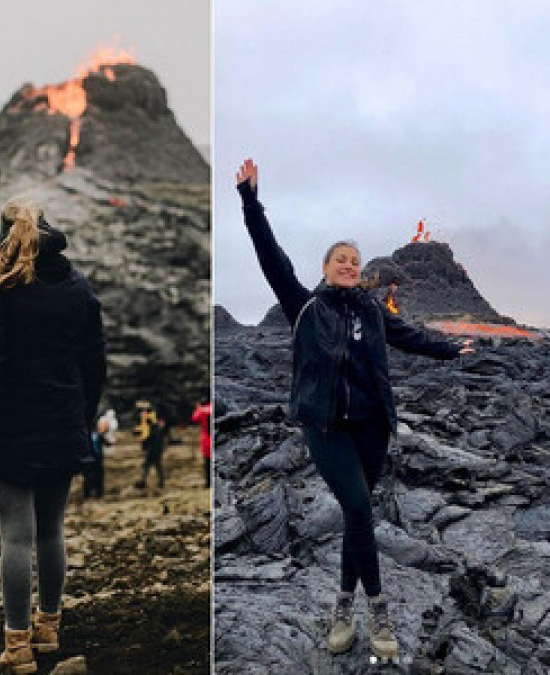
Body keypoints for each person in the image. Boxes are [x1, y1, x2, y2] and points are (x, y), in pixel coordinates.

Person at [235, 158, 474, 661]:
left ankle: (342, 603)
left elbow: (412, 338)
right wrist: (251, 202)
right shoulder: (305, 306)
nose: (348, 264)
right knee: (361, 507)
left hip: (371, 428)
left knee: (355, 517)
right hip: (326, 428)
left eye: (354, 260)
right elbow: (268, 255)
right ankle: (378, 607)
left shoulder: (372, 311)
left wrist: (453, 349)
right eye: (339, 258)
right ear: (325, 268)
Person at [0, 195, 106, 674]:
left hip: (7, 429)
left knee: (15, 537)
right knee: (52, 530)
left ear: (4, 233)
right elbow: (94, 365)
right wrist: (83, 419)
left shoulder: (1, 290)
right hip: (61, 424)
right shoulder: (78, 289)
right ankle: (49, 628)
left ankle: (17, 649)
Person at [134, 401, 167, 490]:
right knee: (156, 464)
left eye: (143, 411)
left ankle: (144, 481)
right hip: (153, 446)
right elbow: (142, 431)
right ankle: (159, 482)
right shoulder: (148, 421)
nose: (141, 413)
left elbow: (152, 434)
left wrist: (150, 448)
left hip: (153, 446)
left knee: (149, 464)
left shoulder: (152, 421)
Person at [82, 417, 106, 500]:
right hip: (93, 458)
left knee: (92, 476)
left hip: (92, 459)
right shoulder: (94, 435)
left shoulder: (90, 435)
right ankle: (94, 493)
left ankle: (94, 493)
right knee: (93, 476)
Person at [190, 399, 213, 488]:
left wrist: (198, 407)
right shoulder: (211, 408)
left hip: (206, 440)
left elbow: (194, 418)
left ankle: (208, 482)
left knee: (207, 462)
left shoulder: (202, 410)